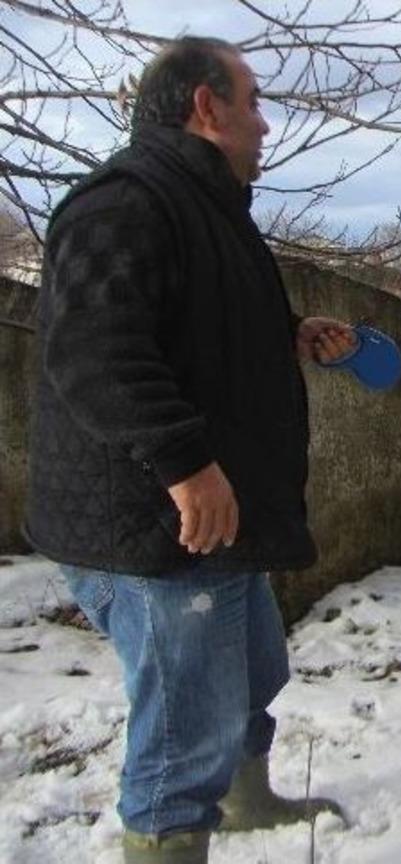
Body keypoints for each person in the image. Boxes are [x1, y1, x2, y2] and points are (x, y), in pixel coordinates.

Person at [25, 36, 354, 863]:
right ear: (207, 107)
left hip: (212, 521)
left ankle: (246, 804)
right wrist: (184, 465)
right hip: (153, 526)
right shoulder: (123, 202)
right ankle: (172, 837)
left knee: (251, 677)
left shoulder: (205, 209)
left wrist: (289, 333)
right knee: (185, 733)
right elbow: (94, 353)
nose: (265, 124)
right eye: (253, 102)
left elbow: (194, 326)